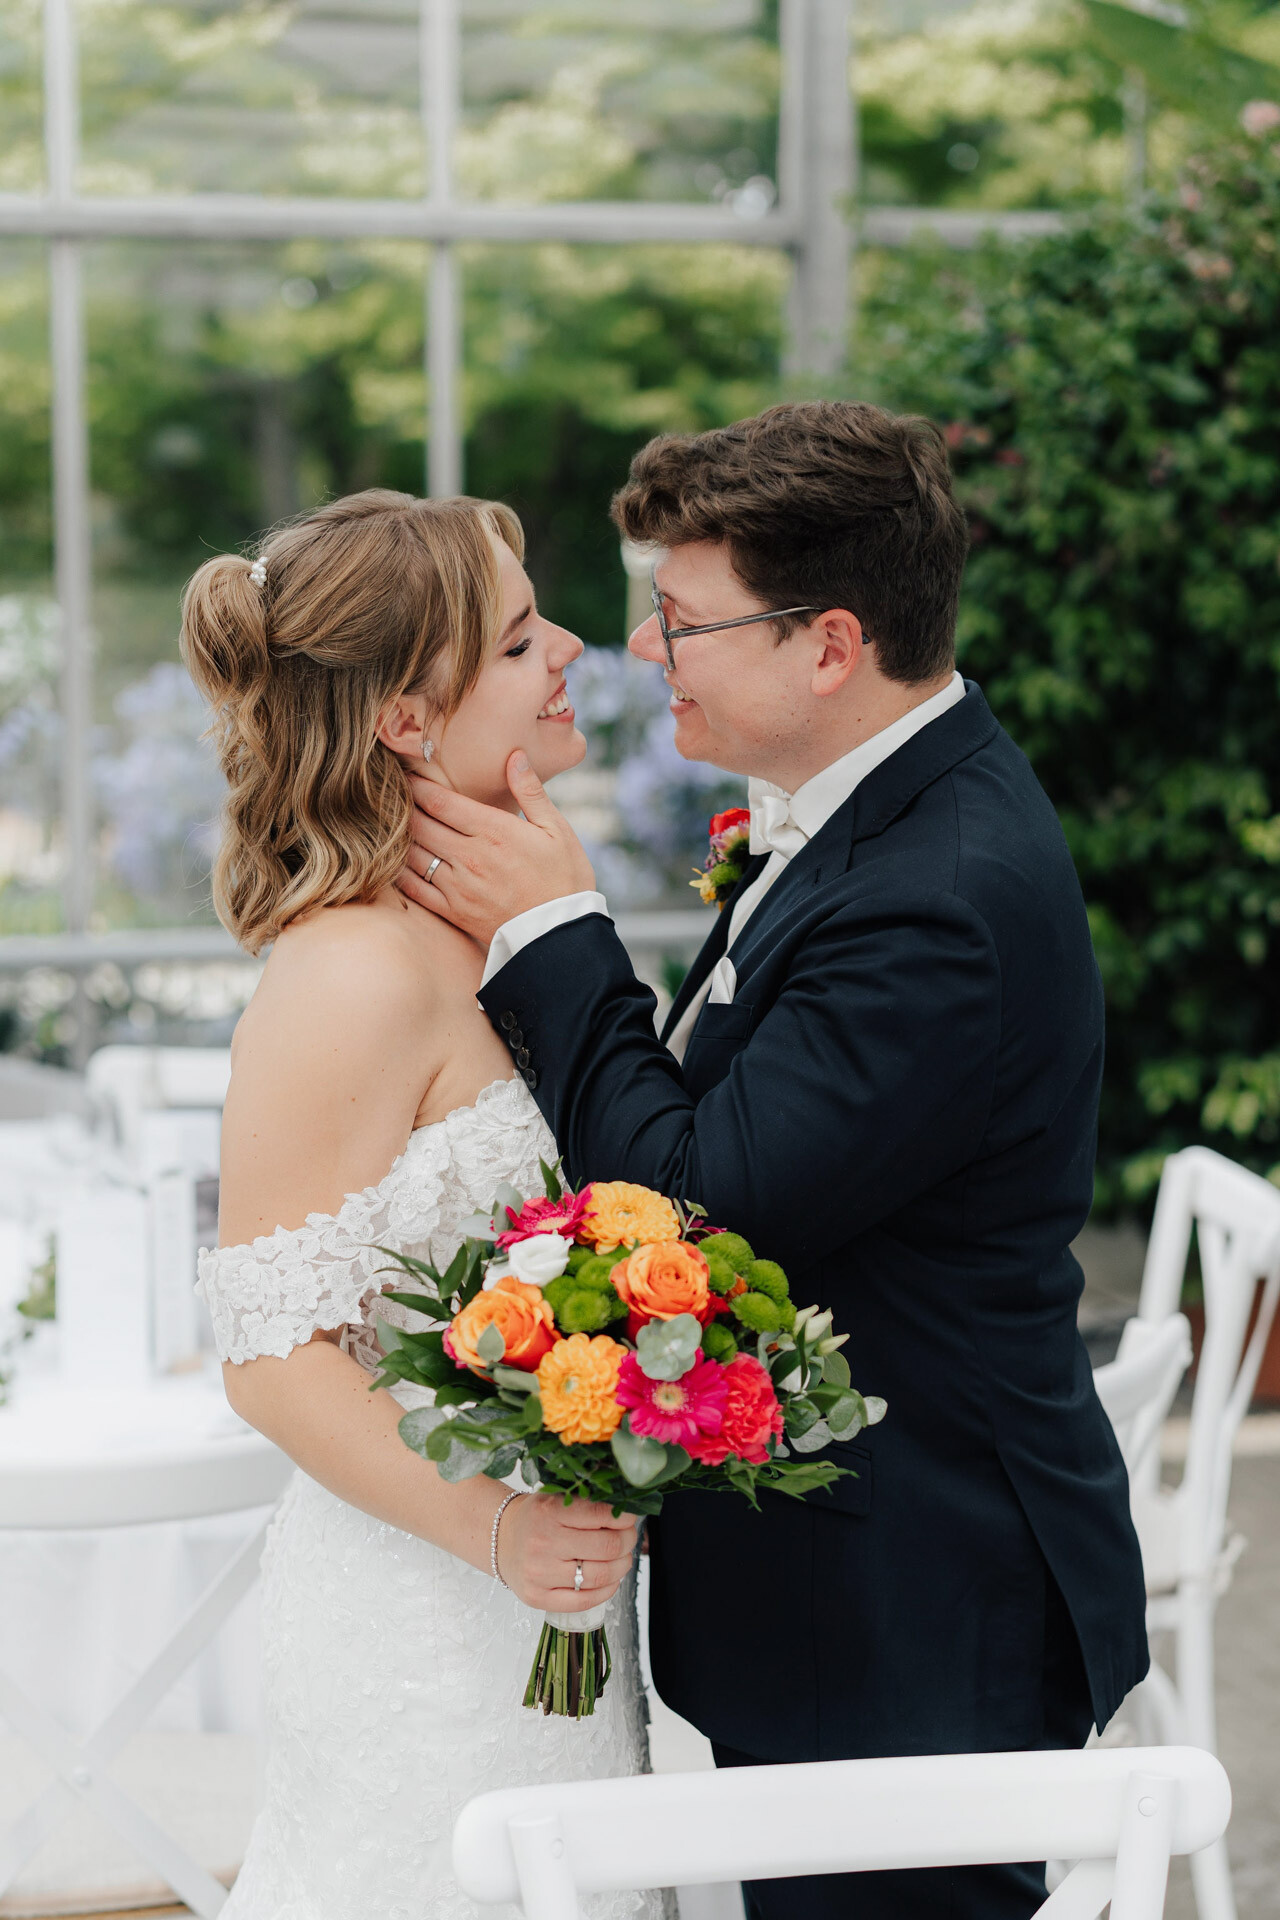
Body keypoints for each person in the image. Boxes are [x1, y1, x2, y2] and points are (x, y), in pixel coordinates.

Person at [396, 402, 1151, 1920]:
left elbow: (703, 1196)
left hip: (915, 1605)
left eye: (681, 617)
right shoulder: (875, 813)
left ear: (830, 645)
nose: (642, 651)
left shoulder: (938, 891)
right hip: (860, 1589)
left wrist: (557, 930)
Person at [184, 489, 657, 1920]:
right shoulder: (351, 975)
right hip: (428, 1624)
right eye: (520, 640)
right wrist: (498, 1530)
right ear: (405, 717)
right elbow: (270, 1358)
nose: (572, 647)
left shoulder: (485, 924)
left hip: (551, 1616)